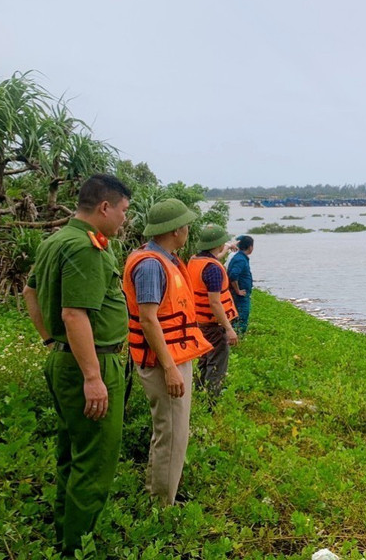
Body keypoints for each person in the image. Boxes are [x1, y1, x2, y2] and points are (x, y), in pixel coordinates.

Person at [22, 173, 132, 556]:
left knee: (73, 454)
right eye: (123, 211)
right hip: (93, 364)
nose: (124, 220)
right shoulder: (85, 248)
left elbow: (29, 291)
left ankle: (64, 536)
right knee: (95, 465)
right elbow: (74, 314)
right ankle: (77, 549)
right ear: (105, 207)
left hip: (67, 360)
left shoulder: (56, 240)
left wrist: (50, 341)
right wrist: (93, 377)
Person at [123, 198, 213, 506]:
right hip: (164, 363)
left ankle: (163, 490)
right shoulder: (151, 265)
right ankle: (162, 505)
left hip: (172, 357)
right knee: (172, 434)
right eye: (186, 225)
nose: (188, 230)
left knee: (171, 430)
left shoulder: (165, 259)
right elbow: (149, 319)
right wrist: (171, 368)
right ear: (176, 230)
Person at [187, 224, 239, 396]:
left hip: (198, 322)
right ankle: (212, 400)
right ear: (218, 244)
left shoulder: (195, 260)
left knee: (203, 358)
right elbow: (215, 303)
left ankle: (199, 392)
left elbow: (216, 257)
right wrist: (229, 329)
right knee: (216, 362)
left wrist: (227, 248)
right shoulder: (214, 269)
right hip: (214, 324)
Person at [227, 234, 254, 335]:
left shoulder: (240, 257)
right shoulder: (240, 259)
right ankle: (237, 339)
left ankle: (235, 338)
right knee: (241, 318)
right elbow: (233, 275)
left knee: (236, 317)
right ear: (250, 247)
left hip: (240, 293)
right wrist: (238, 290)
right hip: (240, 296)